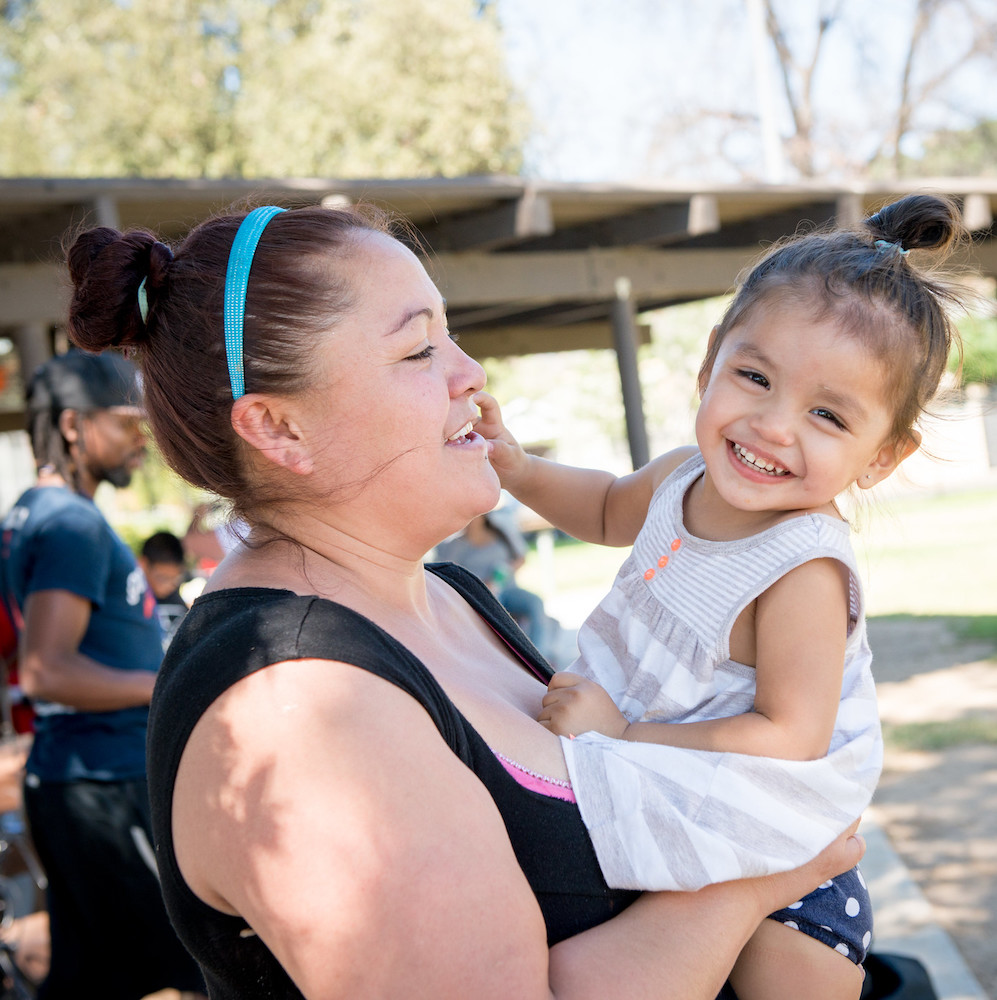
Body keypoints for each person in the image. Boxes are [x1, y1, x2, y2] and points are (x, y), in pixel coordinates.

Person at [63, 203, 864, 1000]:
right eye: (417, 349)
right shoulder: (302, 708)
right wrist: (760, 876)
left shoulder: (449, 596)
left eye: (448, 332)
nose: (469, 372)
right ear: (279, 428)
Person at [477, 193, 967, 1000]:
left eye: (825, 415)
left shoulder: (800, 570)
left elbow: (789, 736)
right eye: (753, 377)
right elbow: (603, 506)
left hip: (777, 846)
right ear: (709, 363)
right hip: (659, 787)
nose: (773, 425)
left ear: (881, 456)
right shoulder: (682, 477)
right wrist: (520, 471)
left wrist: (624, 732)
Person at [0, 350, 206, 999]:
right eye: (126, 422)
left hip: (76, 781)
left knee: (91, 977)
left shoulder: (33, 513)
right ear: (71, 426)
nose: (141, 439)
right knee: (189, 969)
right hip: (102, 786)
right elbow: (46, 670)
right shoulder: (70, 524)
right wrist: (171, 680)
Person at [435, 507, 551, 652]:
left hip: (509, 590)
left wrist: (501, 573)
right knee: (495, 606)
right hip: (481, 595)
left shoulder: (501, 534)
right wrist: (482, 585)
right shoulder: (456, 545)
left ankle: (539, 654)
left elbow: (520, 558)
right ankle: (508, 655)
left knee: (535, 602)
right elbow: (446, 572)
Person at [139, 530, 190, 650]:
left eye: (175, 578)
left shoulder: (178, 603)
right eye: (162, 578)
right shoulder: (134, 599)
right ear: (143, 564)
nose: (169, 585)